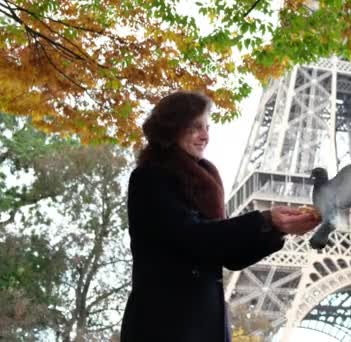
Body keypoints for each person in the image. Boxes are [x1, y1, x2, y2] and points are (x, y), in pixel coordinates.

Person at [120, 90, 320, 342]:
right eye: (195, 128)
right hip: (167, 324)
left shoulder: (206, 182)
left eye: (207, 128)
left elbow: (230, 256)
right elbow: (192, 236)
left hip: (203, 324)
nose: (205, 136)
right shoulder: (150, 178)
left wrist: (276, 229)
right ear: (171, 129)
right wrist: (264, 220)